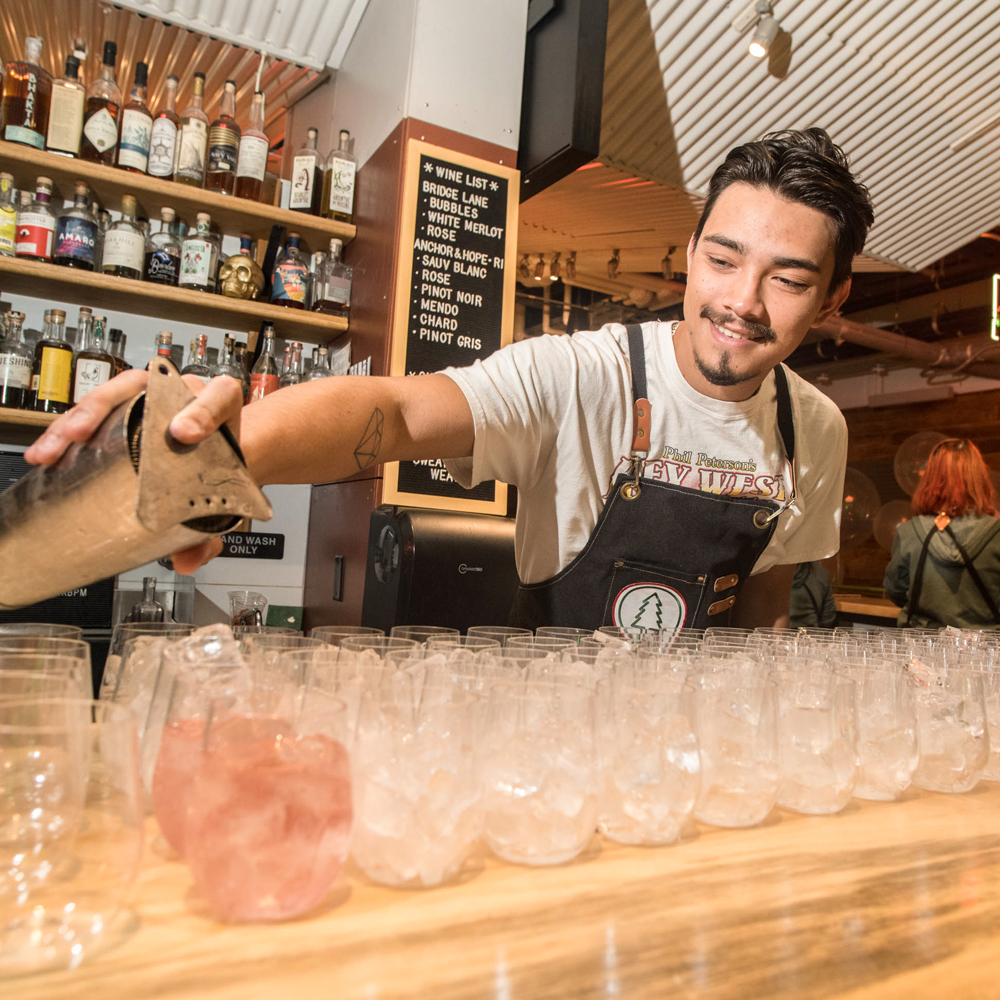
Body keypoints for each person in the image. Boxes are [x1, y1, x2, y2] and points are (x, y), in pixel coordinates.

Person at [25, 128, 874, 630]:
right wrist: (212, 450)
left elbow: (766, 593)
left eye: (789, 280)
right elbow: (392, 411)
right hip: (548, 742)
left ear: (833, 297)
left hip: (694, 757)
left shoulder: (816, 430)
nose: (741, 301)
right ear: (690, 255)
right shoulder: (587, 374)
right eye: (722, 260)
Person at [883, 438, 1000, 629]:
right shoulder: (996, 533)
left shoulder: (909, 532)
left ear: (929, 479)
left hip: (921, 649)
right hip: (984, 652)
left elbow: (896, 590)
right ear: (979, 479)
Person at [789, 561, 837, 628]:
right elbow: (828, 621)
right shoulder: (819, 572)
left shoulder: (772, 567)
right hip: (812, 634)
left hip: (776, 635)